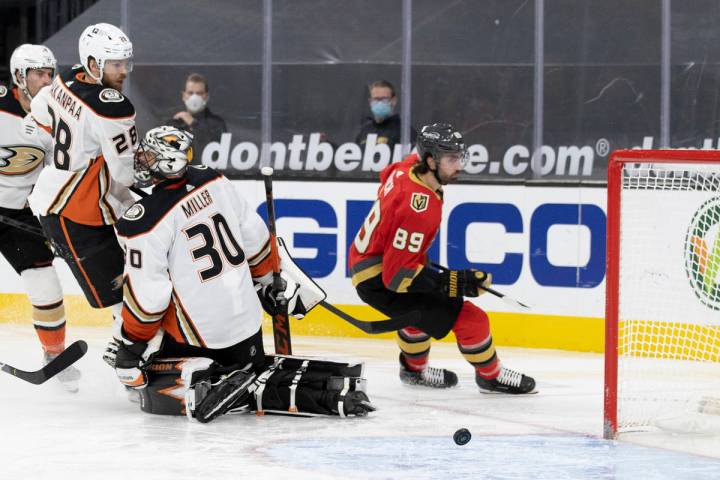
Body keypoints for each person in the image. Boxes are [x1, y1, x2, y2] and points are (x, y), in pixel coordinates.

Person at [113, 126, 375, 422]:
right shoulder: (213, 179)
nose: (142, 160)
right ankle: (268, 380)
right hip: (247, 332)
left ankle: (202, 379)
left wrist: (130, 347)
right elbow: (256, 240)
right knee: (245, 352)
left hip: (200, 341)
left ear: (167, 162)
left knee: (134, 355)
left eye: (149, 155)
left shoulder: (143, 222)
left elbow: (149, 299)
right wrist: (266, 285)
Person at [348, 123, 536, 394]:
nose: (458, 165)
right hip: (380, 279)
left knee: (417, 316)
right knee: (473, 319)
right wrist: (455, 282)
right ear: (430, 161)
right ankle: (491, 376)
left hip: (368, 260)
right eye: (451, 159)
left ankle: (413, 371)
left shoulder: (407, 169)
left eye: (459, 157)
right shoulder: (418, 208)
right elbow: (397, 278)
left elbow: (386, 174)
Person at [26, 23, 137, 368]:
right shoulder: (113, 106)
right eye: (114, 64)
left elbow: (39, 113)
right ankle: (130, 369)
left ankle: (132, 355)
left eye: (125, 63)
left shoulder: (64, 80)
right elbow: (126, 172)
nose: (122, 72)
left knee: (136, 287)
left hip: (70, 203)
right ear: (93, 62)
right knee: (124, 297)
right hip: (77, 214)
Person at [0, 44, 79, 392]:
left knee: (46, 284)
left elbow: (59, 174)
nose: (47, 81)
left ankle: (55, 356)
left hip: (21, 212)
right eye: (39, 74)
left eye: (50, 73)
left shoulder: (58, 117)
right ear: (20, 76)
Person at [167, 73, 227, 159]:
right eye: (190, 93)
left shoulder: (217, 124)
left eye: (199, 93)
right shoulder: (174, 123)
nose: (194, 97)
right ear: (184, 96)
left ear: (206, 96)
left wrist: (193, 124)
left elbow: (216, 154)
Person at [355, 80, 416, 152]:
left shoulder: (405, 131)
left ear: (393, 101)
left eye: (384, 99)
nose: (380, 103)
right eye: (376, 99)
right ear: (370, 101)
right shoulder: (364, 131)